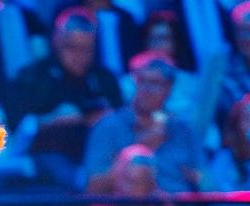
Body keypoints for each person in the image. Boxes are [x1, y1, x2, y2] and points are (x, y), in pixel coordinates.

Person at [8, 7, 122, 190]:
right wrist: (56, 122)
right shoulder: (33, 77)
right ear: (56, 41)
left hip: (98, 155)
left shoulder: (105, 80)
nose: (79, 57)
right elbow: (17, 128)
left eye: (86, 50)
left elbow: (120, 118)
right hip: (47, 157)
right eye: (72, 48)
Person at [84, 51, 204, 193]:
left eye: (154, 84)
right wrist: (141, 147)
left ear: (169, 88)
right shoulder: (108, 127)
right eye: (141, 81)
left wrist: (200, 179)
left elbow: (206, 182)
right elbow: (92, 187)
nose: (146, 90)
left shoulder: (183, 131)